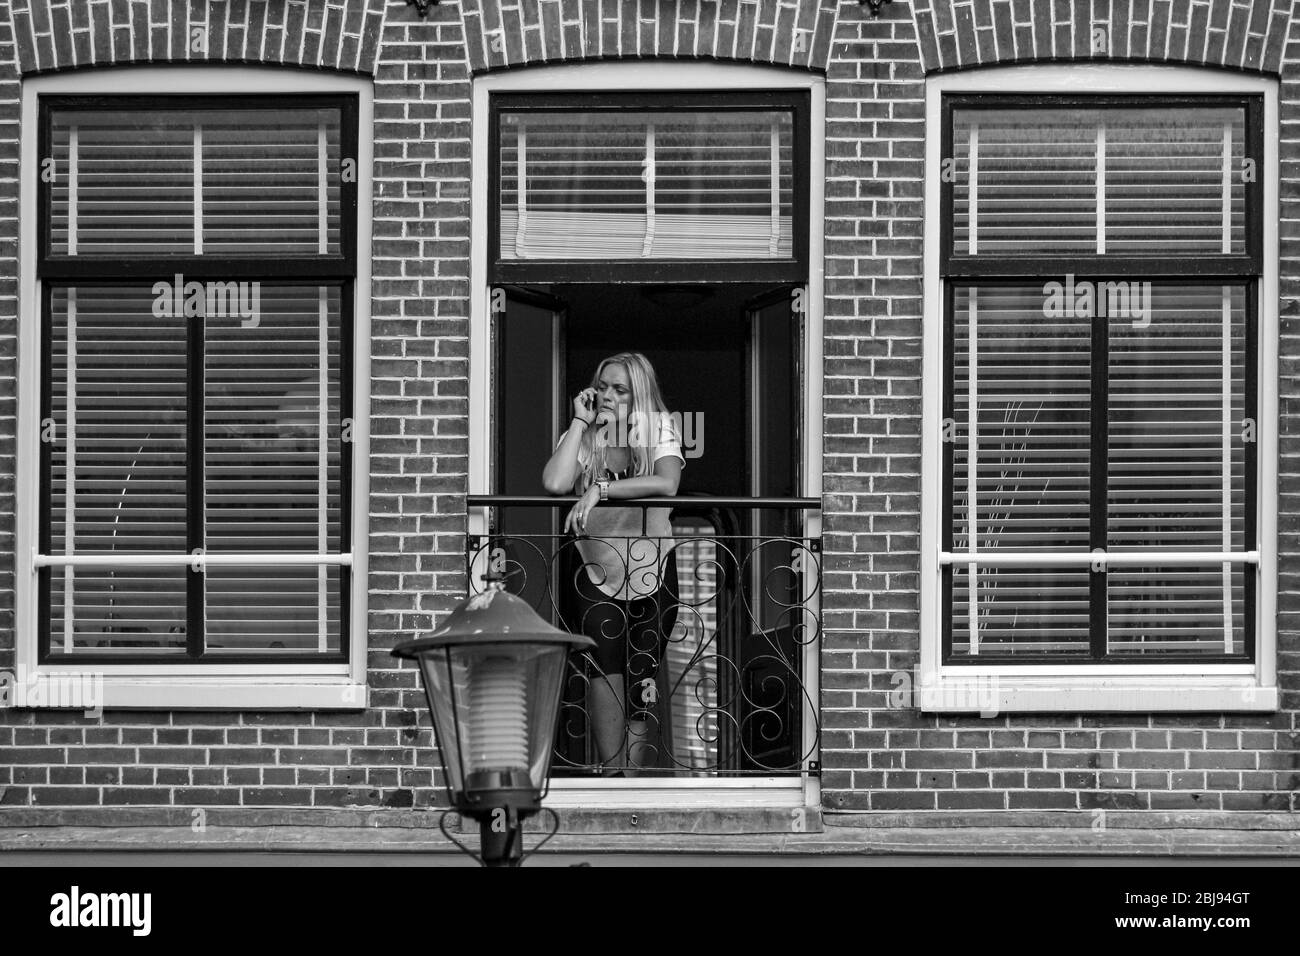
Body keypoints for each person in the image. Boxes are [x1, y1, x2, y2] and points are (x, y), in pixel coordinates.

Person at [542, 352, 684, 775]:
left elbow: (667, 482)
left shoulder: (658, 426)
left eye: (619, 389)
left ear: (637, 394)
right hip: (595, 568)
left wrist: (600, 490)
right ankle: (611, 772)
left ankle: (633, 776)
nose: (607, 395)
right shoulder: (585, 436)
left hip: (652, 568)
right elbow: (554, 483)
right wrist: (580, 423)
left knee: (642, 669)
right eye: (602, 386)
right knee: (605, 669)